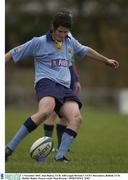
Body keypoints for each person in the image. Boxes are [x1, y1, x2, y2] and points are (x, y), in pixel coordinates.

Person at [5, 9, 119, 163]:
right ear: (53, 27)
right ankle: (9, 148)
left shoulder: (70, 42)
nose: (62, 35)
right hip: (46, 82)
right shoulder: (38, 42)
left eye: (66, 32)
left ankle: (60, 156)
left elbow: (86, 50)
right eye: (60, 31)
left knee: (76, 118)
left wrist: (106, 60)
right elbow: (12, 53)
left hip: (65, 88)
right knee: (46, 111)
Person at [43, 64, 81, 151]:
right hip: (55, 78)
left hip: (69, 79)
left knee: (64, 116)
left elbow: (71, 62)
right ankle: (47, 146)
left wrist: (77, 80)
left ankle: (60, 147)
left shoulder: (69, 51)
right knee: (52, 112)